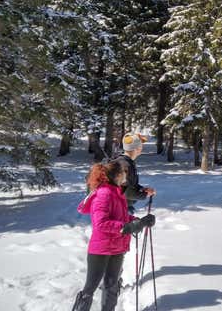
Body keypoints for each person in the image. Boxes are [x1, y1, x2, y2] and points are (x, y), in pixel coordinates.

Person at [72, 161, 156, 311]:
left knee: (111, 286)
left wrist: (139, 222)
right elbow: (101, 223)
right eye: (124, 172)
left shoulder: (117, 192)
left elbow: (121, 219)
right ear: (117, 175)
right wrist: (127, 227)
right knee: (90, 287)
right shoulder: (103, 194)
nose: (127, 175)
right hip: (101, 249)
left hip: (117, 247)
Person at [114, 132, 156, 214]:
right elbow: (128, 193)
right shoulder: (126, 165)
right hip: (119, 209)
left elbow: (128, 186)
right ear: (137, 148)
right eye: (141, 145)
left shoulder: (121, 161)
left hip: (119, 206)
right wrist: (145, 195)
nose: (142, 147)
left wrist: (142, 189)